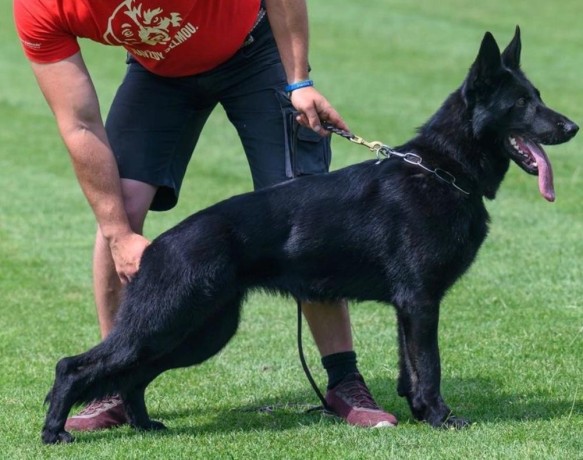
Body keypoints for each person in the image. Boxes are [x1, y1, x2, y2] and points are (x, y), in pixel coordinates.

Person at [14, 0, 397, 429]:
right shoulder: (40, 7)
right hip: (159, 75)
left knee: (303, 210)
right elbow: (79, 125)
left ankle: (343, 379)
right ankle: (112, 382)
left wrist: (298, 80)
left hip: (253, 52)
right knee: (118, 208)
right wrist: (118, 233)